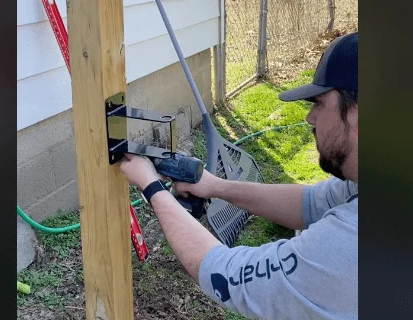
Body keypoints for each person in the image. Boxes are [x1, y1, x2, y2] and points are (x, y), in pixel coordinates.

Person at [120, 32, 358, 320]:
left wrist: (152, 187)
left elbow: (225, 274)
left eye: (318, 103)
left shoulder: (350, 243)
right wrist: (215, 186)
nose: (310, 118)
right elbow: (309, 203)